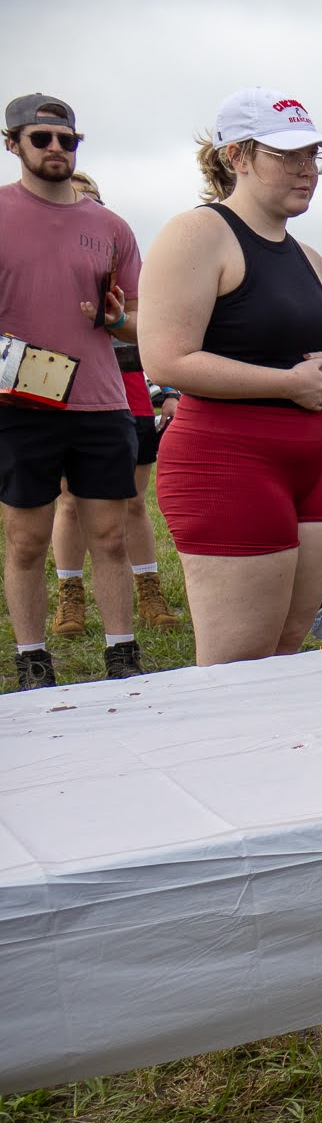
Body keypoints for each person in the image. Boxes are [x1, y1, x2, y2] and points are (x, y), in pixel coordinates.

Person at [139, 89, 322, 668]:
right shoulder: (198, 233)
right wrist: (288, 384)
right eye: (288, 155)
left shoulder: (309, 257)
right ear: (236, 156)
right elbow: (166, 360)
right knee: (236, 668)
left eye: (314, 156)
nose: (307, 169)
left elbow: (313, 351)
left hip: (305, 469)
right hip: (227, 462)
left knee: (284, 653)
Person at [0, 94, 145, 690]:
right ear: (13, 144)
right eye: (42, 139)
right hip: (19, 406)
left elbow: (140, 320)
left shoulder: (110, 226)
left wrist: (115, 320)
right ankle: (32, 659)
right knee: (27, 541)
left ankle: (123, 654)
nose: (57, 149)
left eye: (68, 140)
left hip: (100, 402)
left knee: (110, 534)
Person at [46, 172, 183, 638]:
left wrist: (169, 392)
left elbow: (157, 328)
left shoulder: (121, 255)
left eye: (94, 204)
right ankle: (71, 597)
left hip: (128, 387)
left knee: (132, 502)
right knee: (68, 502)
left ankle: (148, 590)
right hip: (66, 388)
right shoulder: (46, 266)